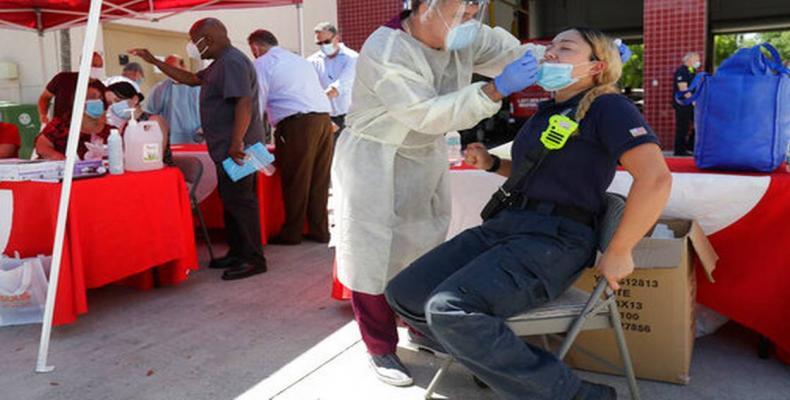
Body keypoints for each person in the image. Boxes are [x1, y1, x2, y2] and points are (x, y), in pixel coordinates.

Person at [385, 27, 672, 400]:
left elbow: (656, 179)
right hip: (509, 224)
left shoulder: (609, 106)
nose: (549, 53)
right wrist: (491, 164)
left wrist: (620, 250)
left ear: (596, 66)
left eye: (564, 48)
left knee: (450, 309)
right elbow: (537, 174)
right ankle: (493, 363)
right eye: (549, 46)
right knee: (404, 292)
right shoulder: (548, 110)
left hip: (557, 237)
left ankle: (575, 394)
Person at [332, 0, 543, 386]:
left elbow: (513, 53)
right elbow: (426, 113)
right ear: (425, 4)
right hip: (375, 158)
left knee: (424, 246)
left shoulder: (464, 35)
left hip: (422, 155)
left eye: (476, 6)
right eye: (461, 6)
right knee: (372, 252)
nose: (470, 16)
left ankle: (419, 326)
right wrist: (494, 90)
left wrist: (577, 57)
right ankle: (379, 346)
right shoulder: (388, 47)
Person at [130, 18, 267, 281]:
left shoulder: (232, 62)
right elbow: (191, 79)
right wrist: (155, 62)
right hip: (230, 146)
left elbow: (244, 103)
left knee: (241, 202)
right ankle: (238, 252)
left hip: (240, 148)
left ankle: (252, 259)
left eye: (195, 40)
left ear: (210, 39)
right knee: (231, 201)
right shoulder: (219, 64)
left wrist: (236, 142)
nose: (192, 46)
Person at [248, 29, 334, 245]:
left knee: (296, 178)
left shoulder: (262, 63)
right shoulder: (300, 61)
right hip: (323, 120)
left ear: (256, 47)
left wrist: (251, 133)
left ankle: (292, 232)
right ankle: (320, 230)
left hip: (297, 124)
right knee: (319, 179)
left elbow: (257, 102)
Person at [35, 80, 112, 160]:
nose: (97, 101)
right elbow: (42, 146)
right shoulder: (60, 124)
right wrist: (60, 159)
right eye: (92, 97)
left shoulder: (109, 127)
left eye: (100, 98)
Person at [307, 22, 358, 138]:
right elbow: (308, 89)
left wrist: (314, 101)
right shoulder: (312, 61)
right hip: (325, 116)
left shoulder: (351, 58)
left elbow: (338, 88)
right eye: (319, 43)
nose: (323, 46)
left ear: (337, 38)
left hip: (348, 117)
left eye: (326, 42)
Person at [144, 54, 203, 144]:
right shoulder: (160, 89)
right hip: (171, 140)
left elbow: (213, 113)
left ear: (183, 66)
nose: (171, 73)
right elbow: (150, 114)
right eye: (167, 70)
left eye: (173, 69)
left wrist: (203, 130)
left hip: (198, 138)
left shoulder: (200, 87)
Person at [38, 51, 105, 124]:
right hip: (60, 129)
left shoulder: (101, 87)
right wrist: (43, 114)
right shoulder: (62, 79)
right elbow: (45, 97)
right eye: (94, 65)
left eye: (100, 66)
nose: (97, 69)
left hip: (87, 131)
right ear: (83, 65)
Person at [672, 52, 700, 156]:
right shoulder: (682, 71)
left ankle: (689, 146)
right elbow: (683, 88)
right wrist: (693, 101)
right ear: (690, 59)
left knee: (696, 125)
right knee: (683, 127)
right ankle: (679, 151)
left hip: (690, 104)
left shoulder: (691, 71)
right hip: (683, 103)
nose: (698, 62)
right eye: (696, 59)